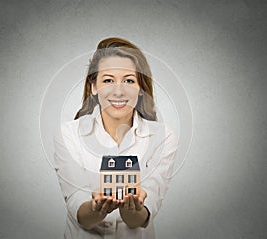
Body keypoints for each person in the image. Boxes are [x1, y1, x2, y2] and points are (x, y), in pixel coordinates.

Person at [54, 37, 178, 239]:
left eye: (129, 80)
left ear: (140, 89)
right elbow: (80, 213)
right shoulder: (69, 134)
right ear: (93, 86)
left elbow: (142, 216)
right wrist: (96, 209)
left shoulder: (163, 137)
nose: (118, 91)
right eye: (108, 80)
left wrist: (133, 209)